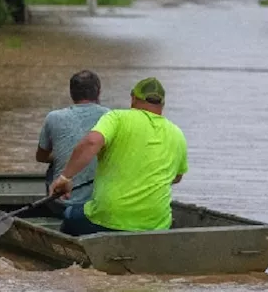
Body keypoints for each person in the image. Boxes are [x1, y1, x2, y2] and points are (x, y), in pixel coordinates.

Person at [50, 77, 188, 236]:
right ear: (162, 105)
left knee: (69, 215)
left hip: (109, 218)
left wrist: (65, 178)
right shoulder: (177, 134)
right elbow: (176, 177)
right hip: (156, 224)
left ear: (133, 98)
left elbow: (92, 142)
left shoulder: (117, 118)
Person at [36, 70, 111, 206]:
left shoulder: (53, 117)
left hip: (61, 204)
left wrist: (68, 155)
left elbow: (41, 157)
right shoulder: (111, 117)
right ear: (98, 92)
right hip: (100, 205)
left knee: (53, 168)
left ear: (71, 93)